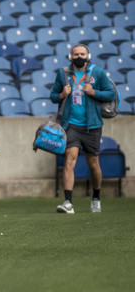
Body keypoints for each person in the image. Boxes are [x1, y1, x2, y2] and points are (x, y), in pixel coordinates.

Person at [50, 44, 115, 214]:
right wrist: (62, 95)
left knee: (93, 164)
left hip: (92, 125)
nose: (79, 56)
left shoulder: (97, 73)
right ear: (71, 57)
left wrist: (94, 92)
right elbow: (52, 96)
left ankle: (96, 197)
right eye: (76, 54)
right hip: (71, 124)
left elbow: (110, 94)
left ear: (88, 56)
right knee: (70, 160)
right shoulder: (63, 73)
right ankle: (68, 202)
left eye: (82, 54)